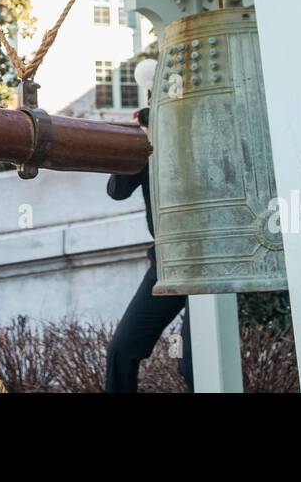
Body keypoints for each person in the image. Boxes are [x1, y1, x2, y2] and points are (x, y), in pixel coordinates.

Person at [104, 58, 194, 392]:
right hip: (167, 262)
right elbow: (116, 191)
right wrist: (139, 142)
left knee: (192, 362)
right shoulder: (149, 139)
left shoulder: (195, 128)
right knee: (121, 351)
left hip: (207, 257)